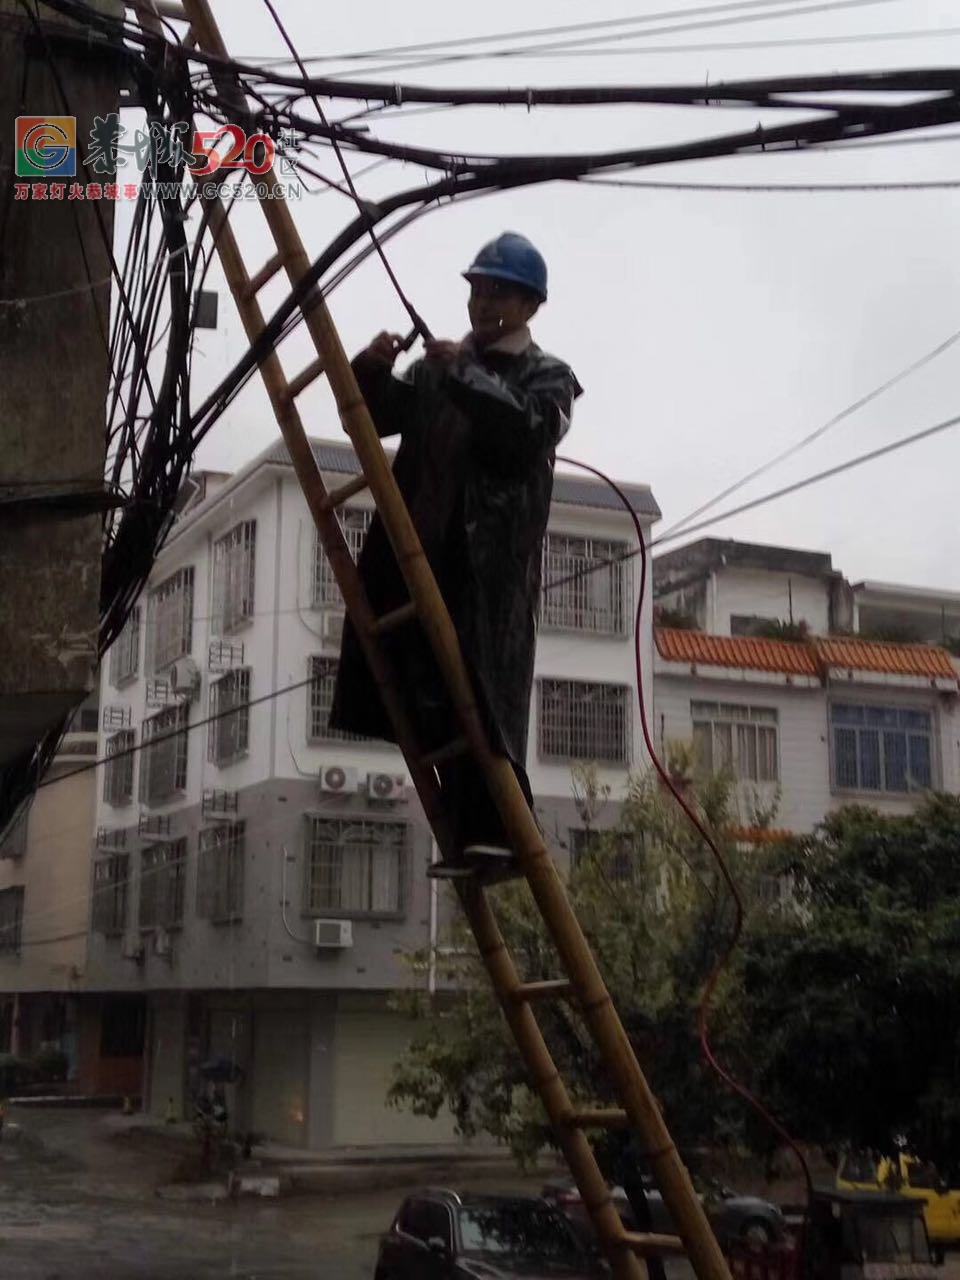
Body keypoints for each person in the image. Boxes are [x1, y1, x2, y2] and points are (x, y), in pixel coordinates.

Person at [329, 232, 583, 881]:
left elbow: (524, 434)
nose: (482, 302)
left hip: (486, 569)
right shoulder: (442, 367)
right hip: (419, 552)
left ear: (531, 303)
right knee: (428, 693)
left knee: (481, 700)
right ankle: (471, 836)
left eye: (496, 290)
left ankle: (498, 837)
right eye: (476, 288)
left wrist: (463, 374)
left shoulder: (548, 376)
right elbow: (381, 414)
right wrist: (371, 369)